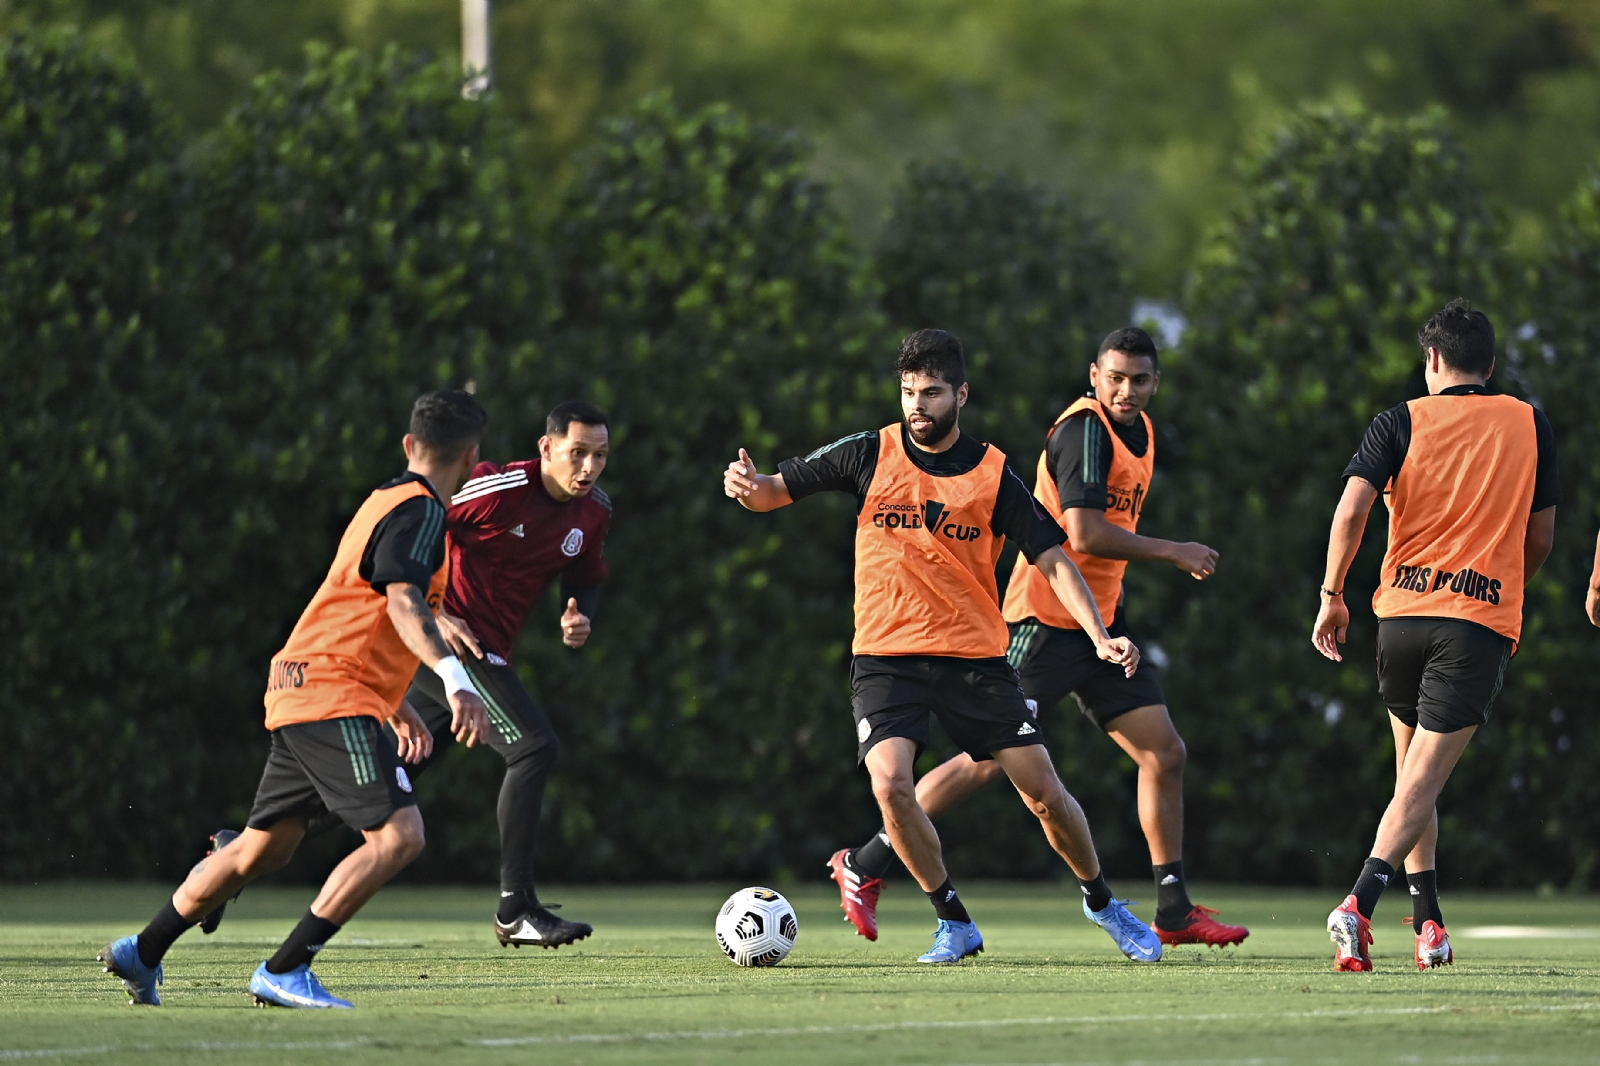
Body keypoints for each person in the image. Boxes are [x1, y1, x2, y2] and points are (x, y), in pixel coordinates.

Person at [724, 328, 1163, 965]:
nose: (917, 405)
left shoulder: (992, 472)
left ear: (961, 393)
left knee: (1042, 793)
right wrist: (749, 485)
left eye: (931, 392)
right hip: (886, 655)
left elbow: (1054, 558)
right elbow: (773, 491)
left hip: (975, 658)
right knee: (891, 784)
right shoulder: (869, 453)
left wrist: (1099, 636)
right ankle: (952, 920)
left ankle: (1102, 901)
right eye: (908, 392)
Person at [827, 326, 1248, 949]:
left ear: (1156, 383)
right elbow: (1079, 535)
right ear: (1093, 376)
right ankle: (867, 861)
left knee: (1165, 752)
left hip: (1098, 624)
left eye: (1138, 379)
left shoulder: (1141, 433)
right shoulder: (1084, 432)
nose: (1125, 390)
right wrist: (1173, 549)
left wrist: (1105, 629)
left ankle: (1172, 906)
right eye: (1114, 377)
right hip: (1040, 625)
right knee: (992, 764)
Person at [98, 390, 492, 1008]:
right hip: (333, 693)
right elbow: (400, 603)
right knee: (399, 836)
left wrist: (396, 701)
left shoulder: (382, 500)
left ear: (410, 444)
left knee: (262, 848)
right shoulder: (424, 514)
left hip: (303, 686)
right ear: (473, 458)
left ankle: (142, 951)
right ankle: (285, 968)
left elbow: (358, 612)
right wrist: (454, 679)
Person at [200, 400, 613, 951]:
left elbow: (585, 572)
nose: (588, 467)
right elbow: (411, 538)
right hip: (451, 651)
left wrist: (577, 611)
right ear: (546, 448)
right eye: (577, 453)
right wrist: (438, 614)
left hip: (474, 660)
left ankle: (236, 849)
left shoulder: (595, 510)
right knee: (533, 748)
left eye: (600, 456)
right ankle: (516, 908)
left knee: (387, 778)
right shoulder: (494, 488)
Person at [1312, 299, 1558, 972]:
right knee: (1419, 784)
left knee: (1411, 779)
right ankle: (1358, 904)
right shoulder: (1529, 423)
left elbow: (1352, 509)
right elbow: (1541, 536)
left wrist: (1333, 596)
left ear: (1433, 360)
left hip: (1399, 622)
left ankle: (1428, 926)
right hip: (1472, 625)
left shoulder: (1399, 420)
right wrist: (1509, 581)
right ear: (1492, 364)